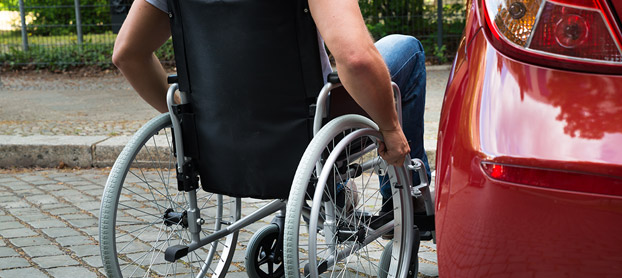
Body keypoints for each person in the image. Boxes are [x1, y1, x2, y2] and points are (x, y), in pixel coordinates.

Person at [112, 0, 429, 177]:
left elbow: (128, 55)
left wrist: (189, 122)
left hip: (222, 138)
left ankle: (328, 192)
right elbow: (357, 59)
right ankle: (405, 197)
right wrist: (389, 126)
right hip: (309, 133)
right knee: (407, 49)